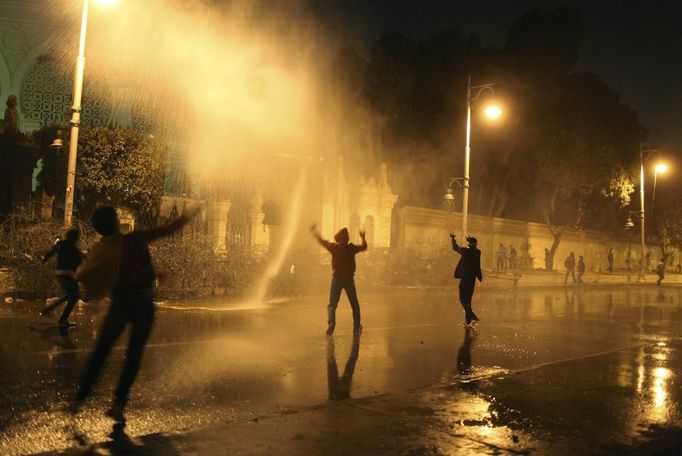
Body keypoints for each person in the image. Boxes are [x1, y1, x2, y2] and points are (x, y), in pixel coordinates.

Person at [70, 205, 198, 424]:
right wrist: (186, 218)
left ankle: (80, 400)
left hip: (120, 303)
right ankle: (118, 404)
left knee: (101, 351)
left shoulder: (102, 249)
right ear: (116, 222)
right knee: (133, 354)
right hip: (142, 304)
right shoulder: (133, 240)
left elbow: (96, 273)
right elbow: (164, 231)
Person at [311, 224, 367, 335]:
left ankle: (331, 325)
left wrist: (315, 233)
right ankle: (356, 327)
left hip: (336, 278)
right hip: (349, 279)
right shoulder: (351, 248)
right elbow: (364, 247)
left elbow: (322, 242)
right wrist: (363, 237)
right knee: (354, 304)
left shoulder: (334, 248)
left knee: (332, 304)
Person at [40, 228, 84, 326]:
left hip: (59, 273)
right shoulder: (73, 248)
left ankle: (51, 309)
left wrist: (45, 259)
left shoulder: (61, 244)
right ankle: (62, 319)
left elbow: (52, 251)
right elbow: (79, 261)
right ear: (75, 238)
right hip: (68, 274)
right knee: (74, 295)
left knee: (71, 295)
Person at [451, 233, 483, 325]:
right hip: (472, 279)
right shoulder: (478, 252)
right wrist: (479, 277)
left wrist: (453, 239)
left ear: (468, 244)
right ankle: (468, 322)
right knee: (468, 300)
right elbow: (477, 265)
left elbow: (455, 247)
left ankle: (473, 316)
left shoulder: (465, 251)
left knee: (462, 299)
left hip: (464, 278)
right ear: (476, 245)